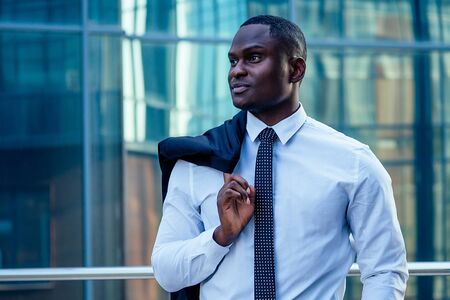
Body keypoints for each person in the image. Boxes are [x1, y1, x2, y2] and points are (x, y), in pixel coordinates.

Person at [152, 15, 408, 299]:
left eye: (254, 57)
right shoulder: (199, 160)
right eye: (233, 61)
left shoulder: (353, 162)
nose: (236, 71)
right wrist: (220, 237)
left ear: (296, 69)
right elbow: (166, 271)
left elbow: (384, 270)